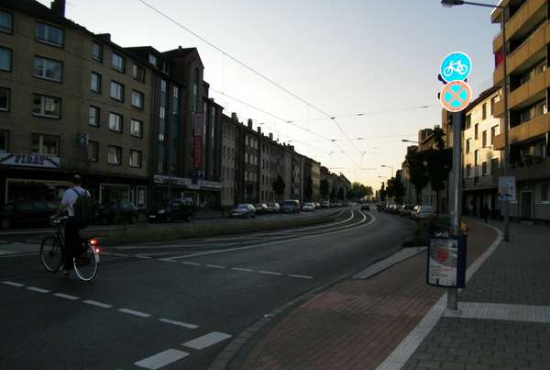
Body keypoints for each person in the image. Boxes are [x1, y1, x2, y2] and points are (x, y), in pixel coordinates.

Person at [55, 175, 90, 276]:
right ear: (81, 182)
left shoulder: (69, 192)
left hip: (73, 221)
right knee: (77, 239)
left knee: (68, 244)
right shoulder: (86, 192)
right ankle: (81, 250)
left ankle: (67, 268)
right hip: (84, 221)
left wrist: (55, 215)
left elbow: (61, 207)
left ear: (71, 182)